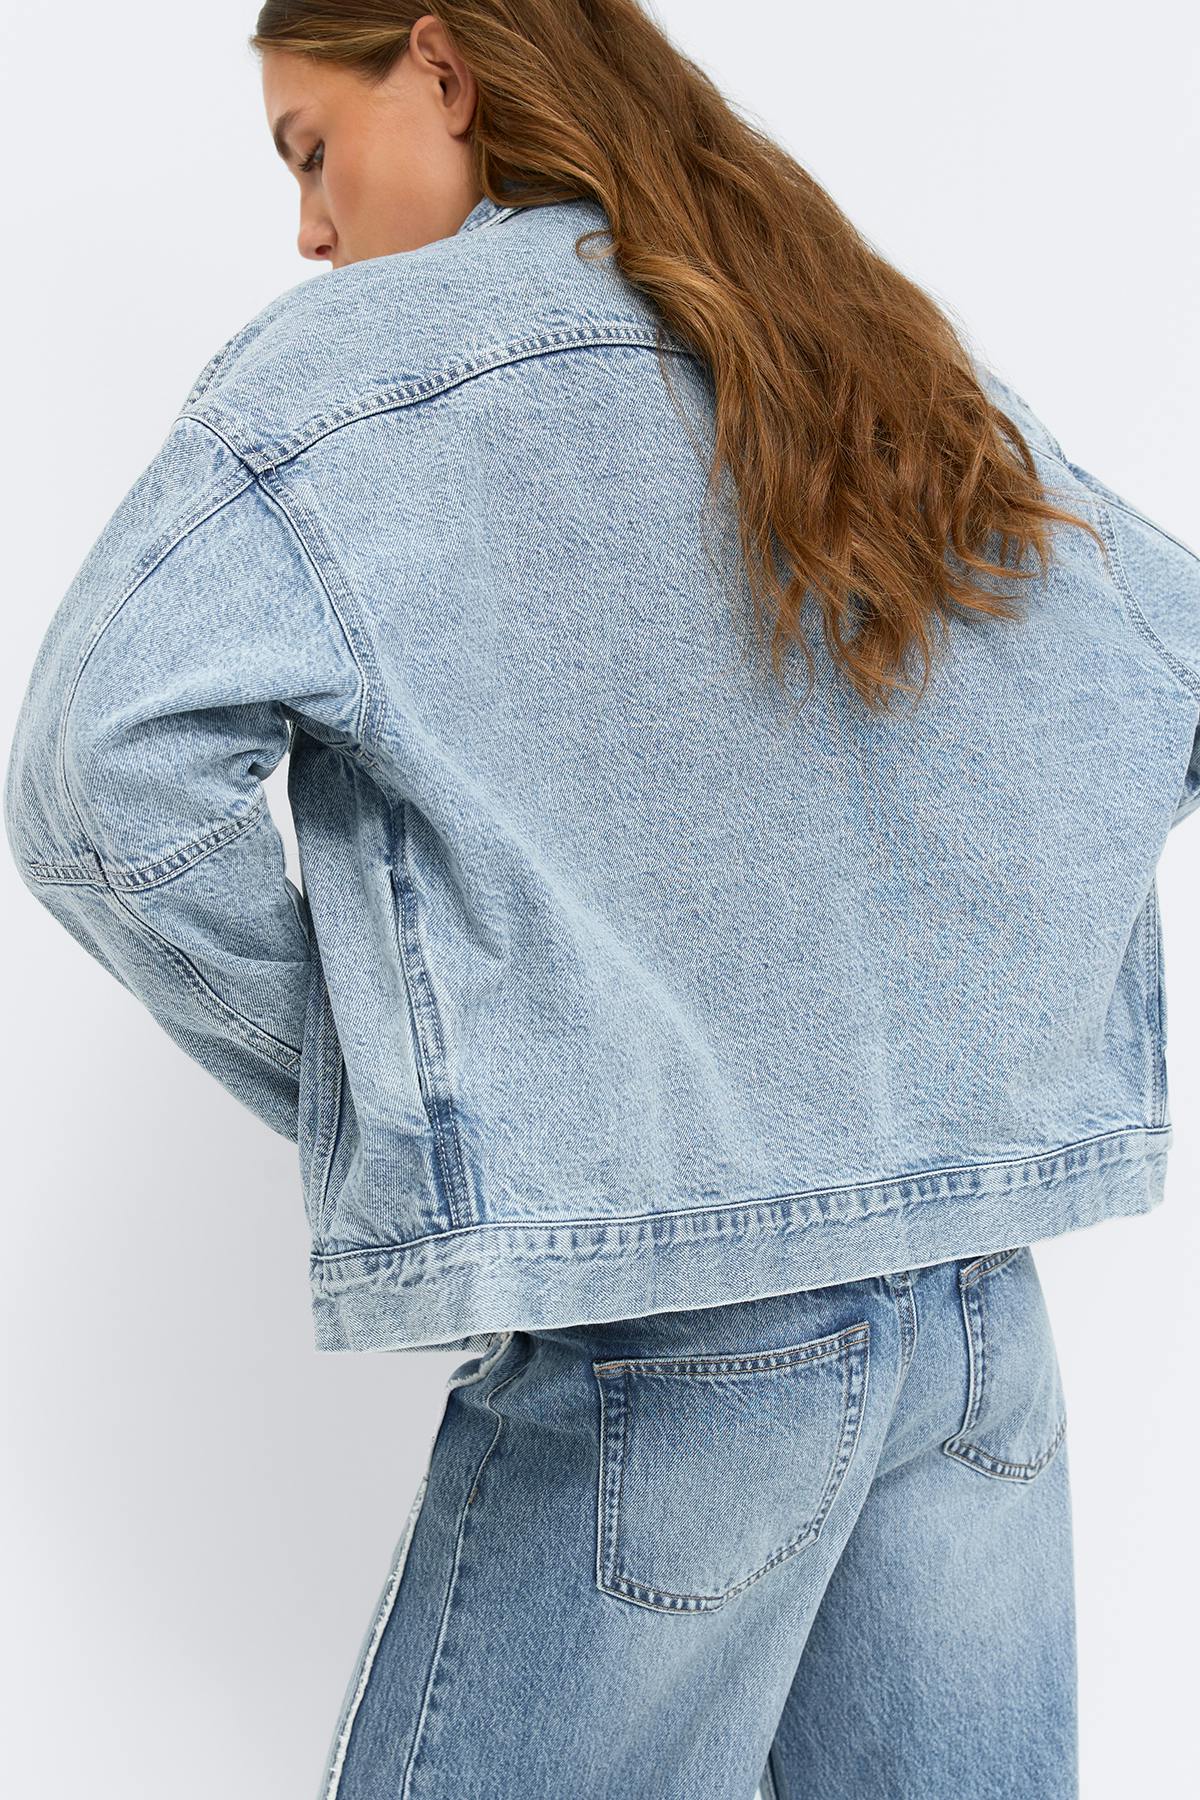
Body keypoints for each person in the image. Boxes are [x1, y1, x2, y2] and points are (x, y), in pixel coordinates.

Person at [5, 4, 1197, 1796]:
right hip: (975, 1334)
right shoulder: (833, 332)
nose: (309, 230)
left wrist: (424, 1100)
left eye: (312, 151)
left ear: (444, 67)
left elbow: (93, 786)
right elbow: (1163, 666)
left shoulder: (352, 381)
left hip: (680, 1370)